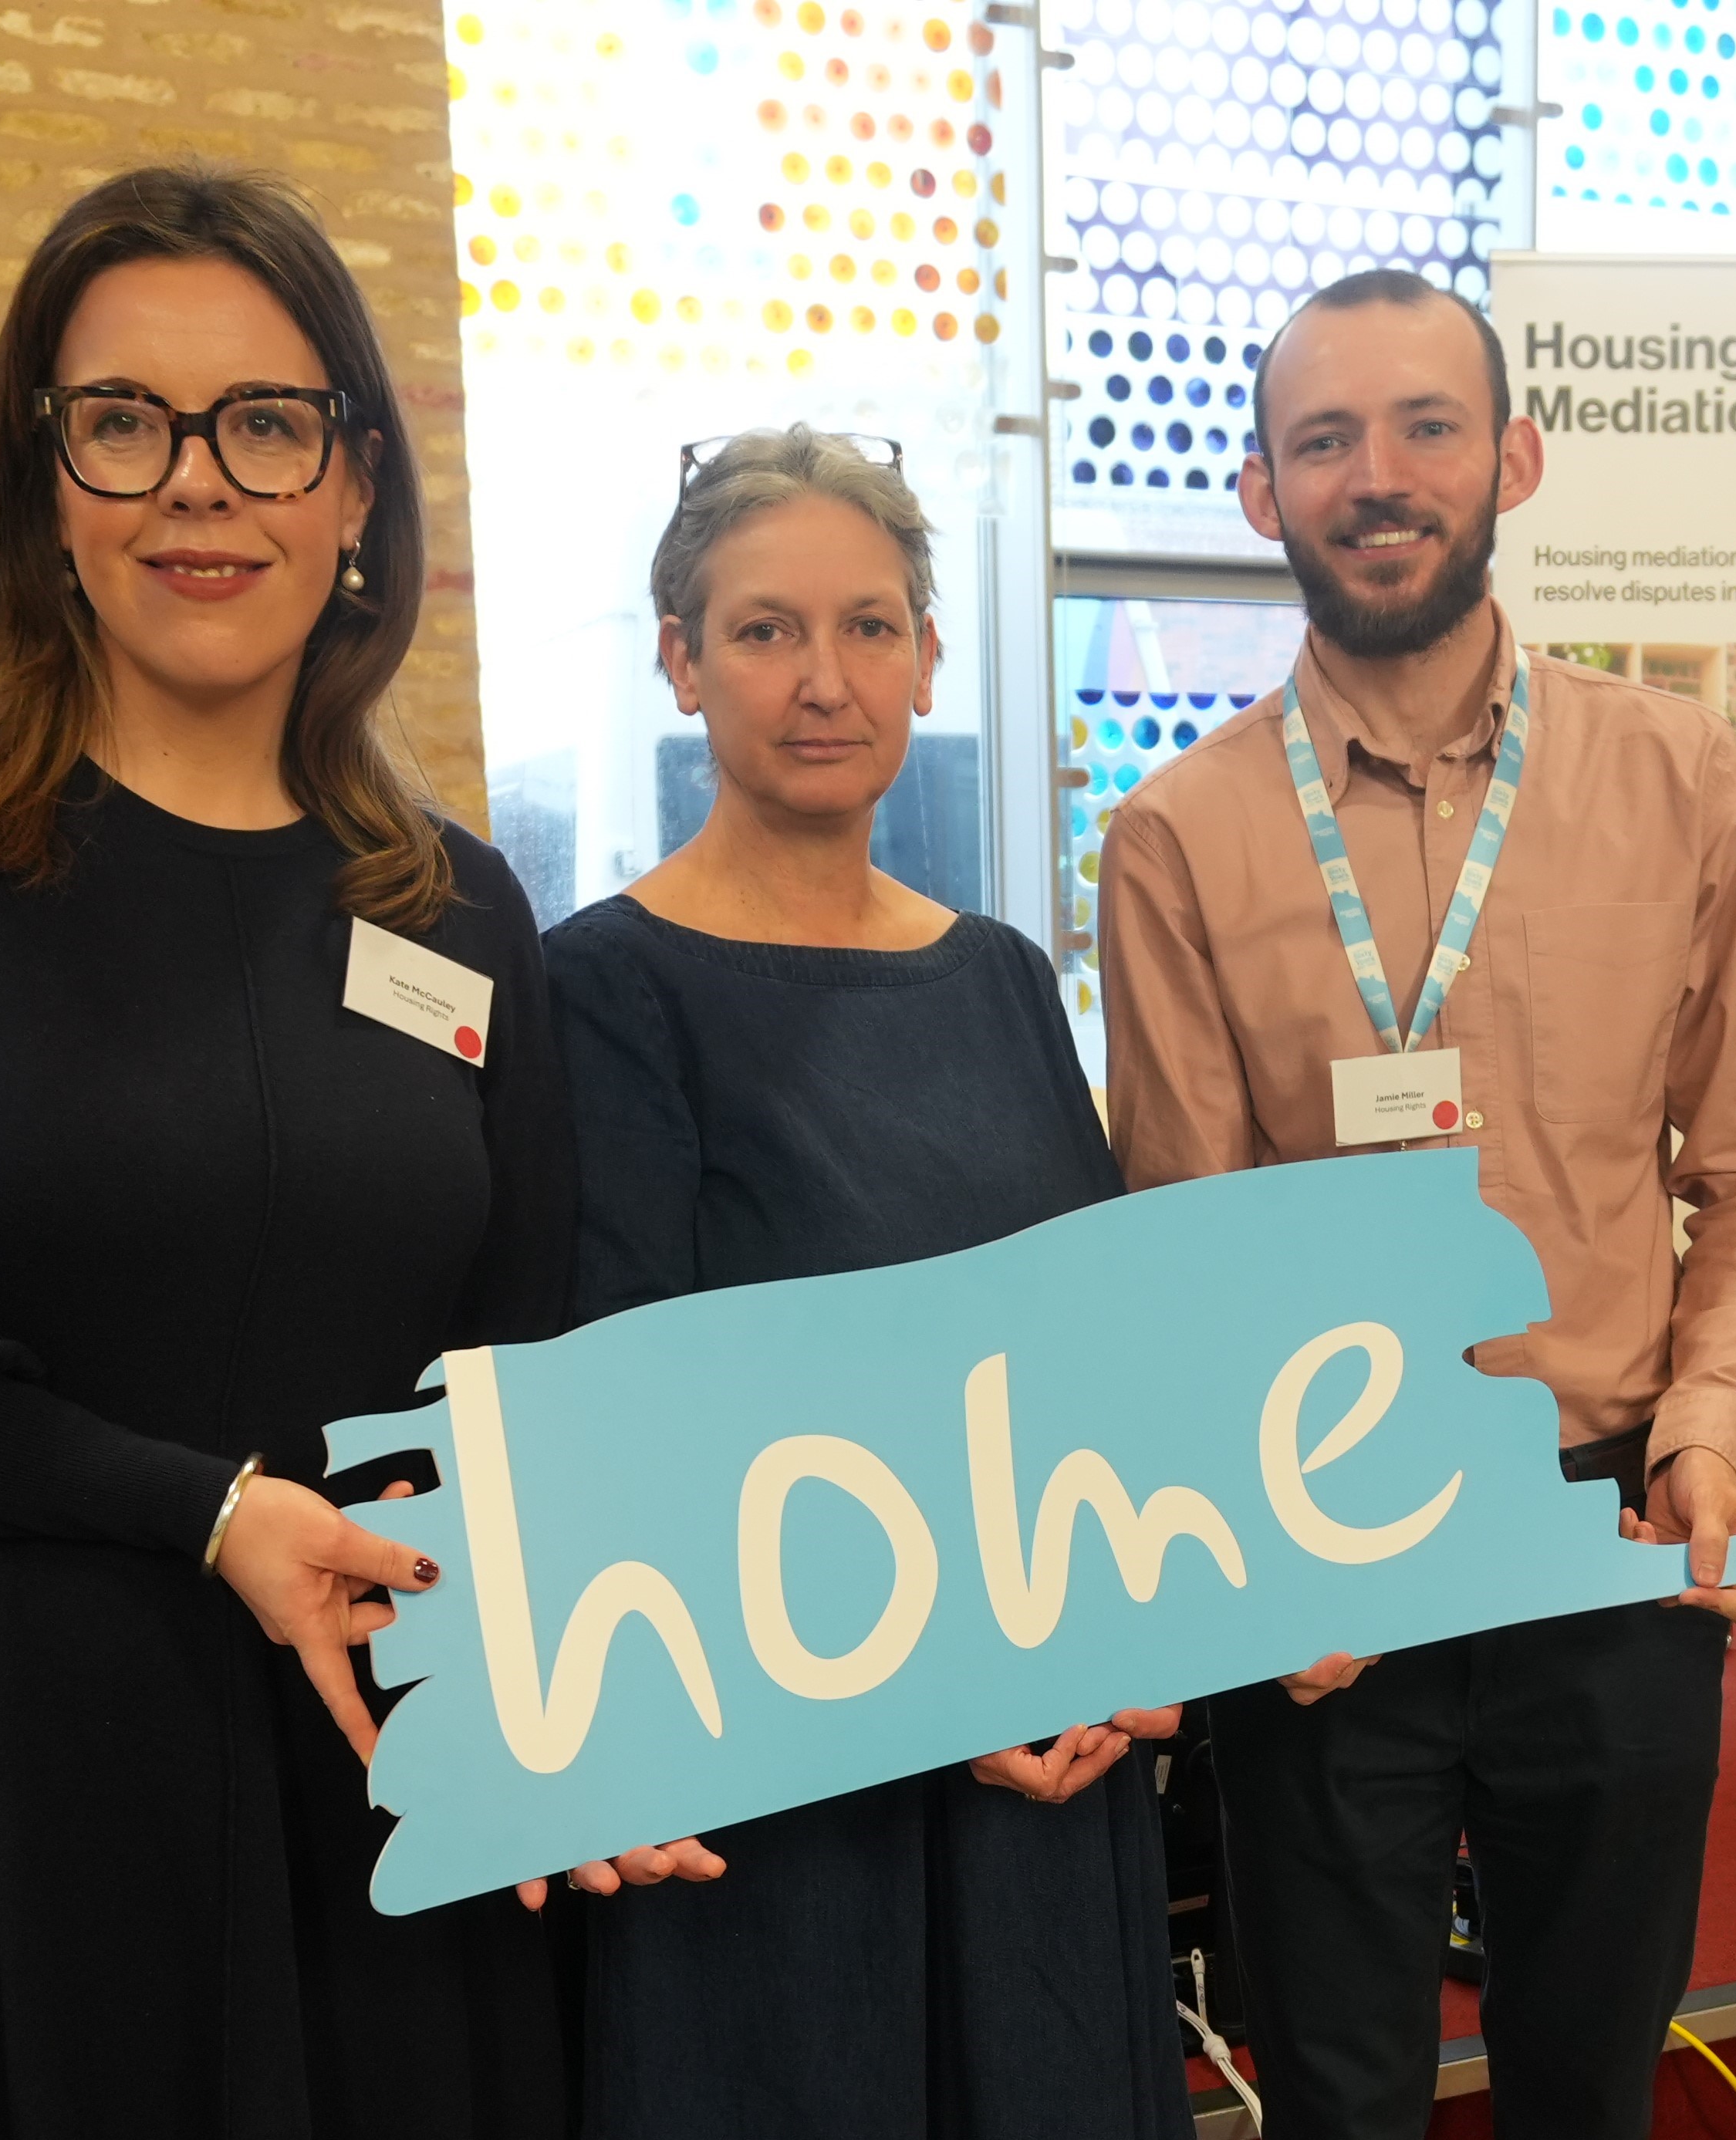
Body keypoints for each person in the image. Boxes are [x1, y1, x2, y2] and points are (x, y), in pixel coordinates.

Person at [0, 166, 616, 2138]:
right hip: (1, 1763)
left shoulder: (455, 914)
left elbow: (520, 1378)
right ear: (45, 484)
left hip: (375, 1757)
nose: (201, 484)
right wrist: (198, 1510)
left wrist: (614, 1702)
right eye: (126, 423)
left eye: (267, 425)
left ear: (356, 493)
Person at [1098, 270, 1736, 2138]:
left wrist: (1713, 1427)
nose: (1377, 475)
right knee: (1337, 2088)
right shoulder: (1176, 835)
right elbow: (1181, 1249)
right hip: (1325, 1564)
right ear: (1259, 488)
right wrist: (1255, 1543)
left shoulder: (1670, 776)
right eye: (1323, 437)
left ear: (1514, 454)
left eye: (1425, 425)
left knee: (1586, 2080)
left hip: (1609, 1538)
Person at [545, 427, 1196, 2140]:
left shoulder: (996, 977)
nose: (821, 680)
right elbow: (634, 1433)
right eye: (762, 630)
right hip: (779, 1789)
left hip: (1048, 1767)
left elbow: (1089, 1350)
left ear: (925, 654)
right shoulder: (602, 990)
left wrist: (1123, 1638)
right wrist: (943, 1684)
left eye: (868, 625)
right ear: (680, 660)